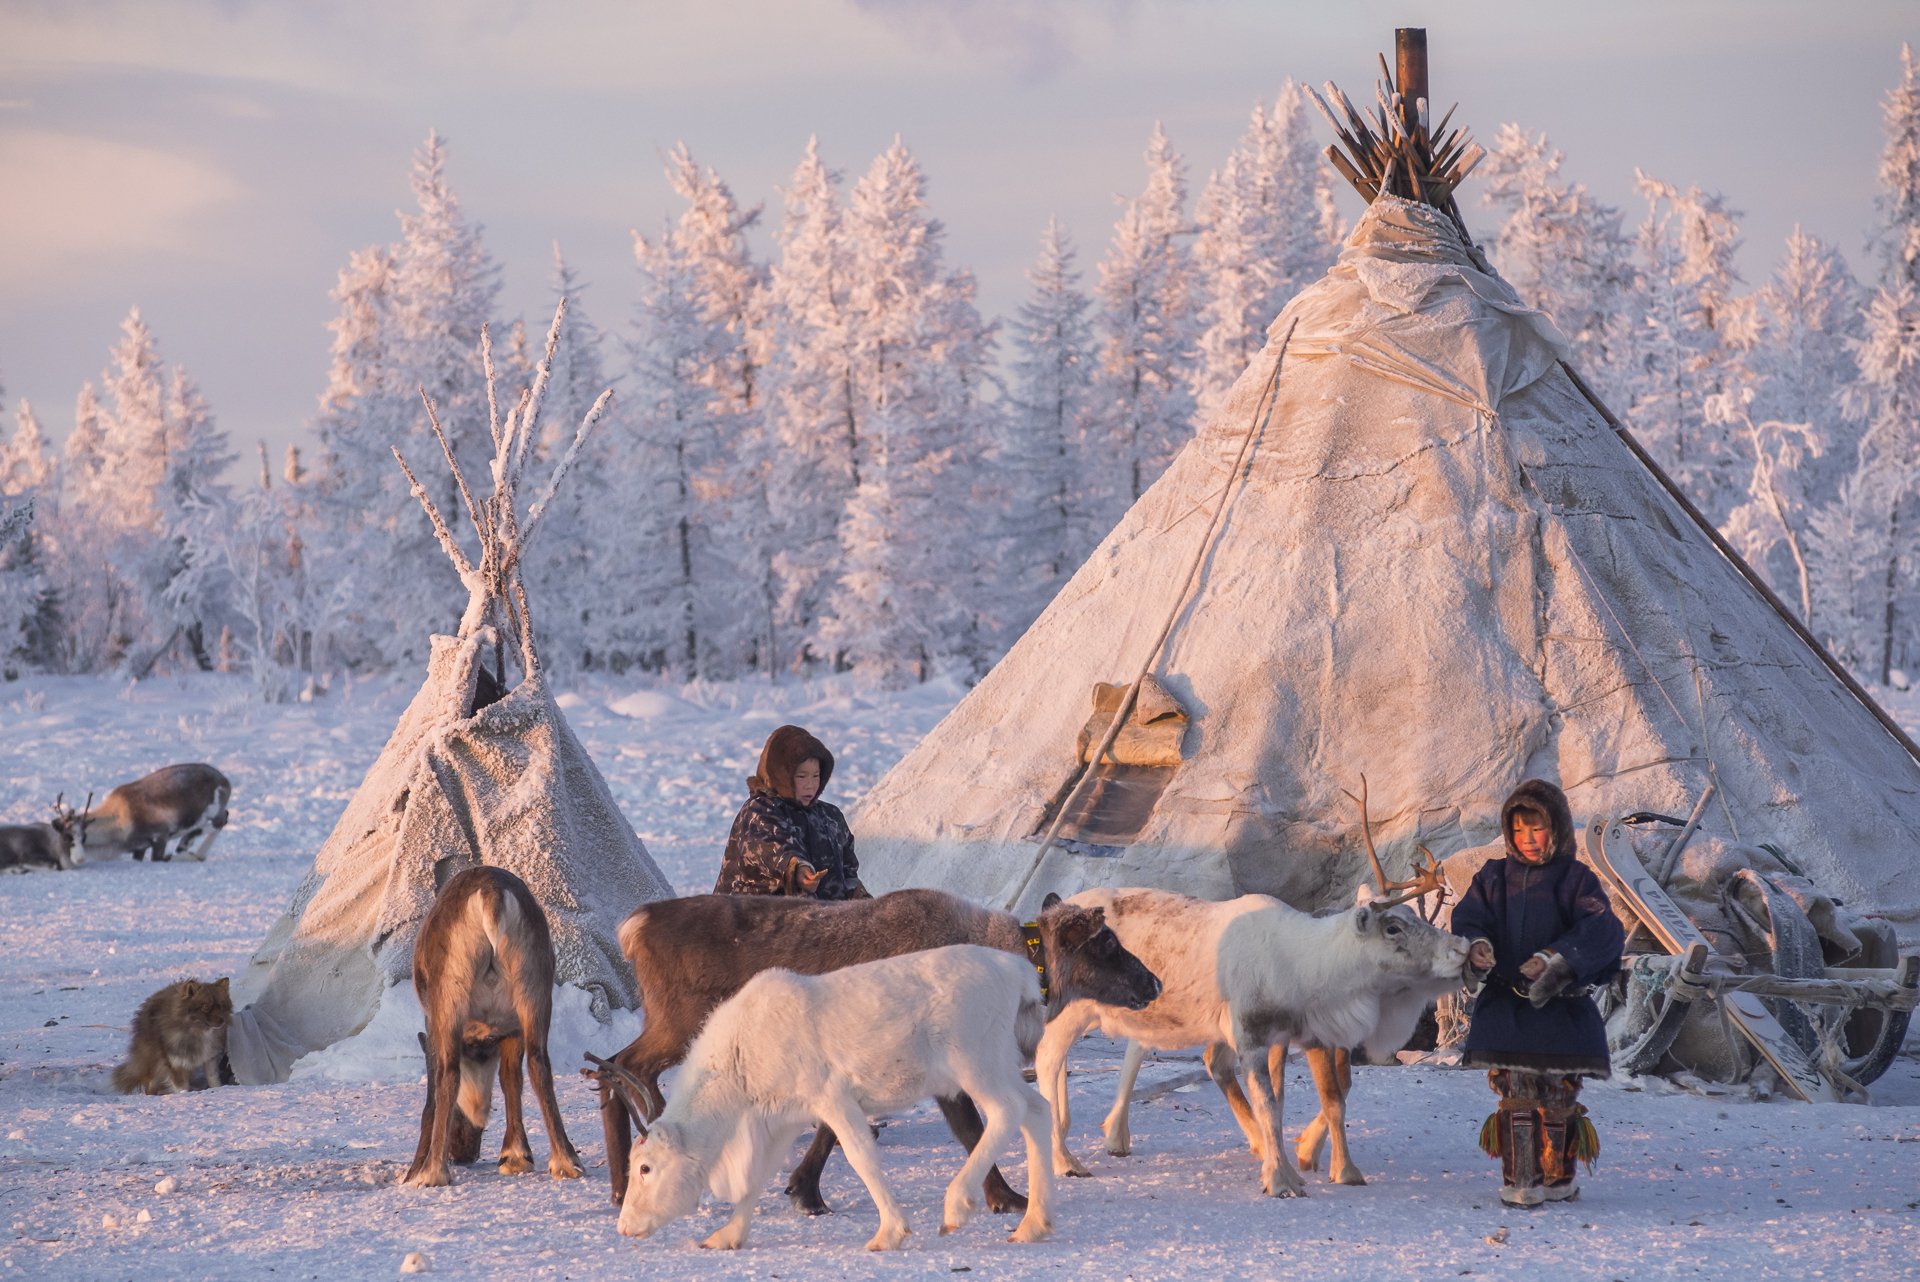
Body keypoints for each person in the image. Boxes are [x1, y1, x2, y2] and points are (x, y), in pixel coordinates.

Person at [1450, 778, 1624, 1208]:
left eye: (1538, 828)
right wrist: (1478, 945)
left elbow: (1602, 928)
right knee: (1518, 1095)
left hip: (1561, 1015)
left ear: (1558, 829)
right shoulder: (1492, 877)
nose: (1528, 840)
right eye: (1519, 830)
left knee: (1559, 1096)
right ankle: (1521, 1179)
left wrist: (1554, 958)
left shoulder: (1576, 880)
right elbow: (1470, 918)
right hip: (1509, 1012)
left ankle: (1557, 1177)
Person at [713, 724, 870, 900]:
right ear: (780, 775)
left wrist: (861, 900)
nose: (810, 784)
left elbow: (848, 873)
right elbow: (773, 847)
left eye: (816, 775)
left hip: (820, 922)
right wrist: (797, 869)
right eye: (801, 776)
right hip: (753, 921)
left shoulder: (830, 817)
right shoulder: (759, 811)